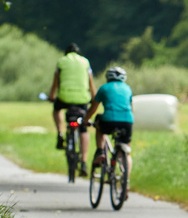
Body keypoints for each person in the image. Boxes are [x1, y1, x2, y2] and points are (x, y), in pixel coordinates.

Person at [48, 43, 96, 176]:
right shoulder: (85, 62)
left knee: (56, 109)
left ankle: (60, 133)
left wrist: (52, 96)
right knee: (83, 127)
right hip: (82, 98)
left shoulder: (61, 62)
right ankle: (84, 161)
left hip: (64, 98)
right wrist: (93, 98)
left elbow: (55, 82)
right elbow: (91, 83)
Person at [83, 66, 134, 188]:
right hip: (127, 121)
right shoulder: (128, 89)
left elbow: (93, 109)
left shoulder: (104, 88)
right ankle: (125, 183)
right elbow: (132, 109)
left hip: (109, 120)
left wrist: (86, 120)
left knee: (98, 124)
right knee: (127, 154)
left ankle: (100, 151)